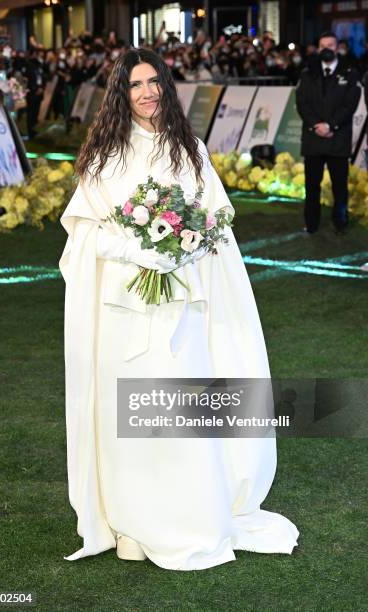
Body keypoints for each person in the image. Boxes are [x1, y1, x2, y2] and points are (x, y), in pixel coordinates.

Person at [58, 47, 299, 570]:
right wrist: (137, 250)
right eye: (134, 85)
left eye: (154, 83)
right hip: (125, 308)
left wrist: (183, 247)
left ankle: (186, 516)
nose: (147, 93)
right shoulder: (104, 157)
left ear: (167, 86)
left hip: (184, 302)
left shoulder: (188, 148)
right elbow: (83, 232)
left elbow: (217, 218)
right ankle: (133, 524)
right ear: (119, 95)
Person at [296, 31, 361, 234]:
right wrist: (317, 125)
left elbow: (350, 104)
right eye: (322, 45)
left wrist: (331, 126)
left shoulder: (350, 72)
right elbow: (302, 103)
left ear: (337, 47)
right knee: (311, 186)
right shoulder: (307, 72)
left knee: (339, 186)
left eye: (330, 45)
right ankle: (311, 223)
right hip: (313, 139)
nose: (326, 49)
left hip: (338, 139)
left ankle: (340, 222)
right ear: (318, 48)